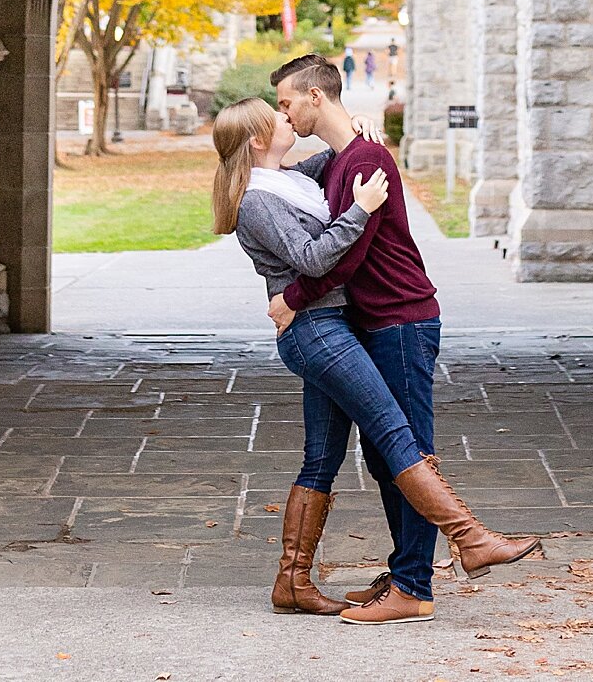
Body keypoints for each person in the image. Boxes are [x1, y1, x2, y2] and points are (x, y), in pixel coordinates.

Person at [213, 94, 541, 622]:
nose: (285, 116)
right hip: (316, 333)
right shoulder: (257, 199)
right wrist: (361, 210)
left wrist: (359, 128)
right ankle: (470, 538)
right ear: (256, 139)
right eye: (276, 114)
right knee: (391, 431)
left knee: (322, 456)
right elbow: (311, 258)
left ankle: (292, 582)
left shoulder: (289, 178)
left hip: (327, 326)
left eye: (286, 105)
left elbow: (338, 156)